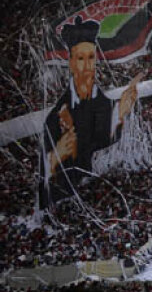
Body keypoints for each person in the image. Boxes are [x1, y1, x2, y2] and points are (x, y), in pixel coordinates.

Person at [41, 16, 140, 205]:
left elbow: (99, 141)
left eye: (91, 58)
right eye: (80, 58)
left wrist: (119, 113)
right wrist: (55, 157)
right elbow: (46, 176)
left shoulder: (101, 102)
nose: (87, 66)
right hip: (67, 195)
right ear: (71, 62)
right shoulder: (57, 115)